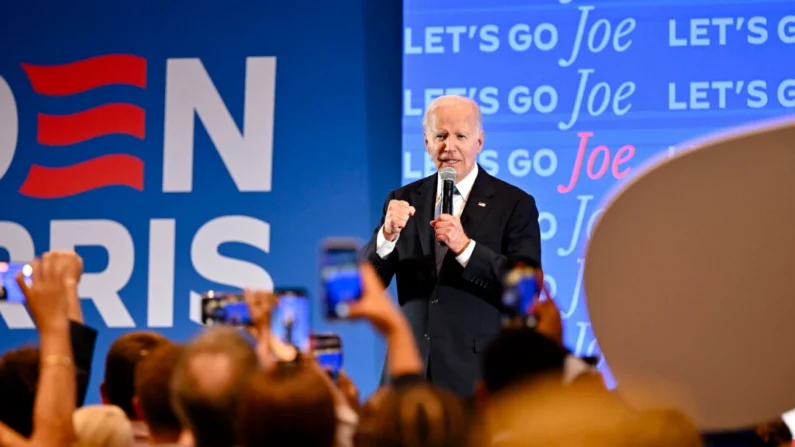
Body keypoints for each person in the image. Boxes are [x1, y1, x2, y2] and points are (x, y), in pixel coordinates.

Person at [361, 94, 542, 397]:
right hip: (409, 375)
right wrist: (387, 237)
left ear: (479, 142)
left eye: (461, 136)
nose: (450, 147)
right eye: (441, 136)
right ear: (426, 142)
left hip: (475, 377)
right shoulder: (402, 199)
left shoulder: (515, 204)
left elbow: (526, 288)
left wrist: (466, 248)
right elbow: (365, 284)